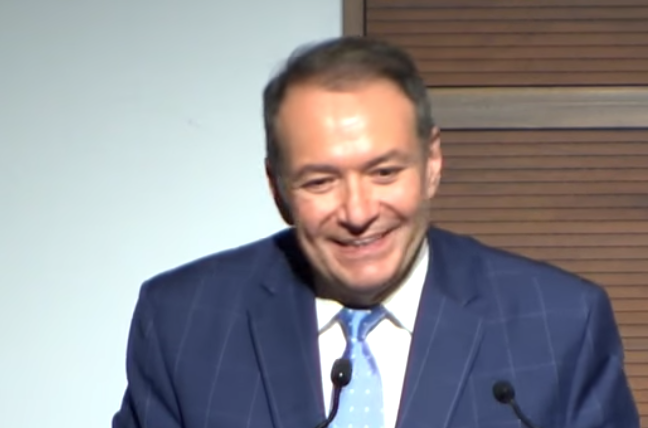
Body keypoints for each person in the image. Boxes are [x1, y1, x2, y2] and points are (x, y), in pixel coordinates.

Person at [112, 36, 639, 428]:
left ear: (432, 163)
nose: (358, 212)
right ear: (277, 188)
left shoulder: (560, 324)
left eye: (384, 172)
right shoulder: (183, 324)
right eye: (321, 181)